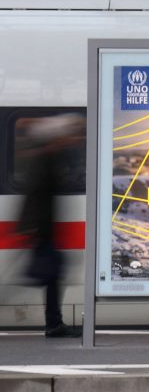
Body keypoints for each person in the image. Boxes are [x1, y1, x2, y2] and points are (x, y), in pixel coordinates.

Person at [17, 114, 85, 337]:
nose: (75, 139)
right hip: (42, 231)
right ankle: (54, 324)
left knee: (53, 275)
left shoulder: (49, 157)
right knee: (52, 274)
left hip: (43, 230)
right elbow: (35, 195)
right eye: (71, 135)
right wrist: (33, 229)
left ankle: (54, 323)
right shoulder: (45, 159)